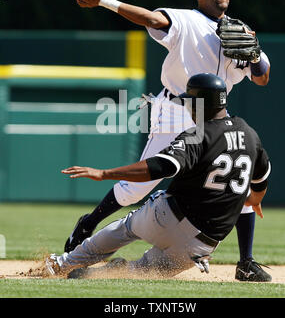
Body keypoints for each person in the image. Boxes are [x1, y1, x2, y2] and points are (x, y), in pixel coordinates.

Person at [66, 0, 272, 281]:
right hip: (176, 109)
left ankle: (246, 262)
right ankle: (89, 222)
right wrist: (103, 0)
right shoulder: (184, 20)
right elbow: (150, 18)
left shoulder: (240, 31)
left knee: (236, 178)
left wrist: (256, 54)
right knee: (137, 188)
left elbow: (262, 79)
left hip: (216, 113)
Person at [46, 73, 271, 280]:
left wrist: (105, 174)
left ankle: (63, 263)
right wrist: (253, 200)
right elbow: (260, 183)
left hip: (167, 217)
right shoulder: (250, 134)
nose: (187, 107)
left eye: (189, 102)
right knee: (141, 271)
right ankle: (100, 274)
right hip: (200, 246)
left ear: (199, 103)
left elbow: (162, 166)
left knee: (125, 228)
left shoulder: (198, 135)